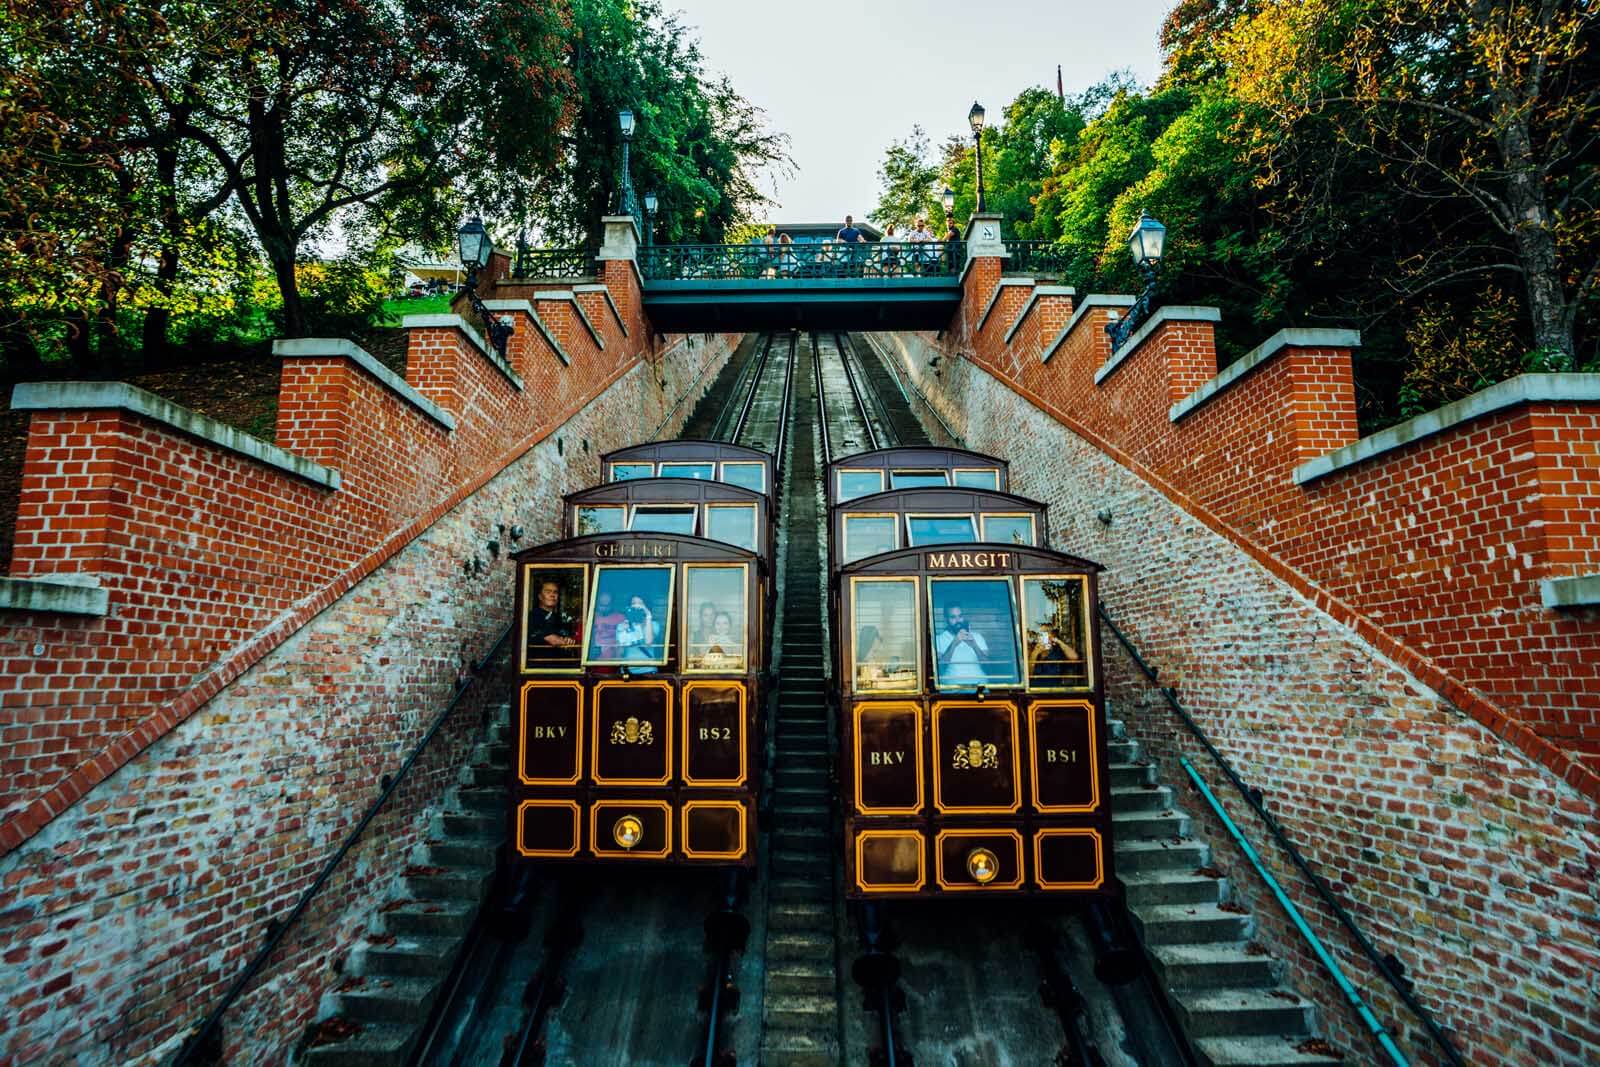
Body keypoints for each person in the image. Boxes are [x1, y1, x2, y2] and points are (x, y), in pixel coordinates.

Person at [525, 579, 579, 666]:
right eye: (548, 592)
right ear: (540, 596)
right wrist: (558, 640)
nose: (552, 595)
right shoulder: (532, 616)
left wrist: (568, 640)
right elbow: (553, 640)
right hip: (540, 669)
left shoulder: (561, 618)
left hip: (562, 667)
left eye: (555, 592)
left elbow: (568, 638)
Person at [935, 603, 989, 686]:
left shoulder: (977, 637)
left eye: (960, 616)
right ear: (946, 619)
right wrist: (954, 643)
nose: (958, 620)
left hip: (979, 688)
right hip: (952, 690)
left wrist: (974, 645)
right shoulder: (939, 639)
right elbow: (940, 669)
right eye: (953, 617)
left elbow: (987, 667)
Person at [1028, 622, 1084, 687]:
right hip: (1033, 693)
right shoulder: (1031, 650)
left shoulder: (1057, 653)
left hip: (1054, 692)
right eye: (1040, 634)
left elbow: (1074, 657)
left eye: (1045, 634)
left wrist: (1058, 641)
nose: (1042, 638)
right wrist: (1035, 653)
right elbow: (1028, 675)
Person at [613, 594, 658, 673]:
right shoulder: (622, 625)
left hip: (648, 671)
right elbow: (619, 654)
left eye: (640, 604)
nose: (636, 606)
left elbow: (648, 642)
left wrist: (648, 616)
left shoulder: (653, 624)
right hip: (627, 671)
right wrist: (622, 633)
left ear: (646, 607)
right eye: (633, 603)